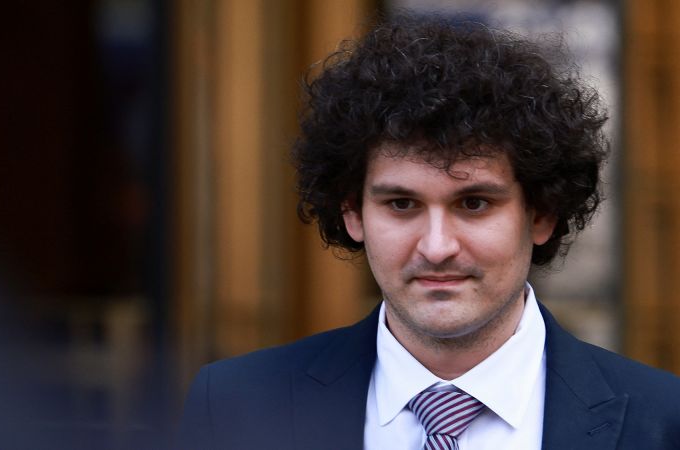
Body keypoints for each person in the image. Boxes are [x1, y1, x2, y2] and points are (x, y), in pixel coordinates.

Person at [177, 13, 680, 450]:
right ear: (352, 212)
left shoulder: (663, 421)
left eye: (474, 204)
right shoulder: (235, 406)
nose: (437, 247)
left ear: (541, 214)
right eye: (402, 204)